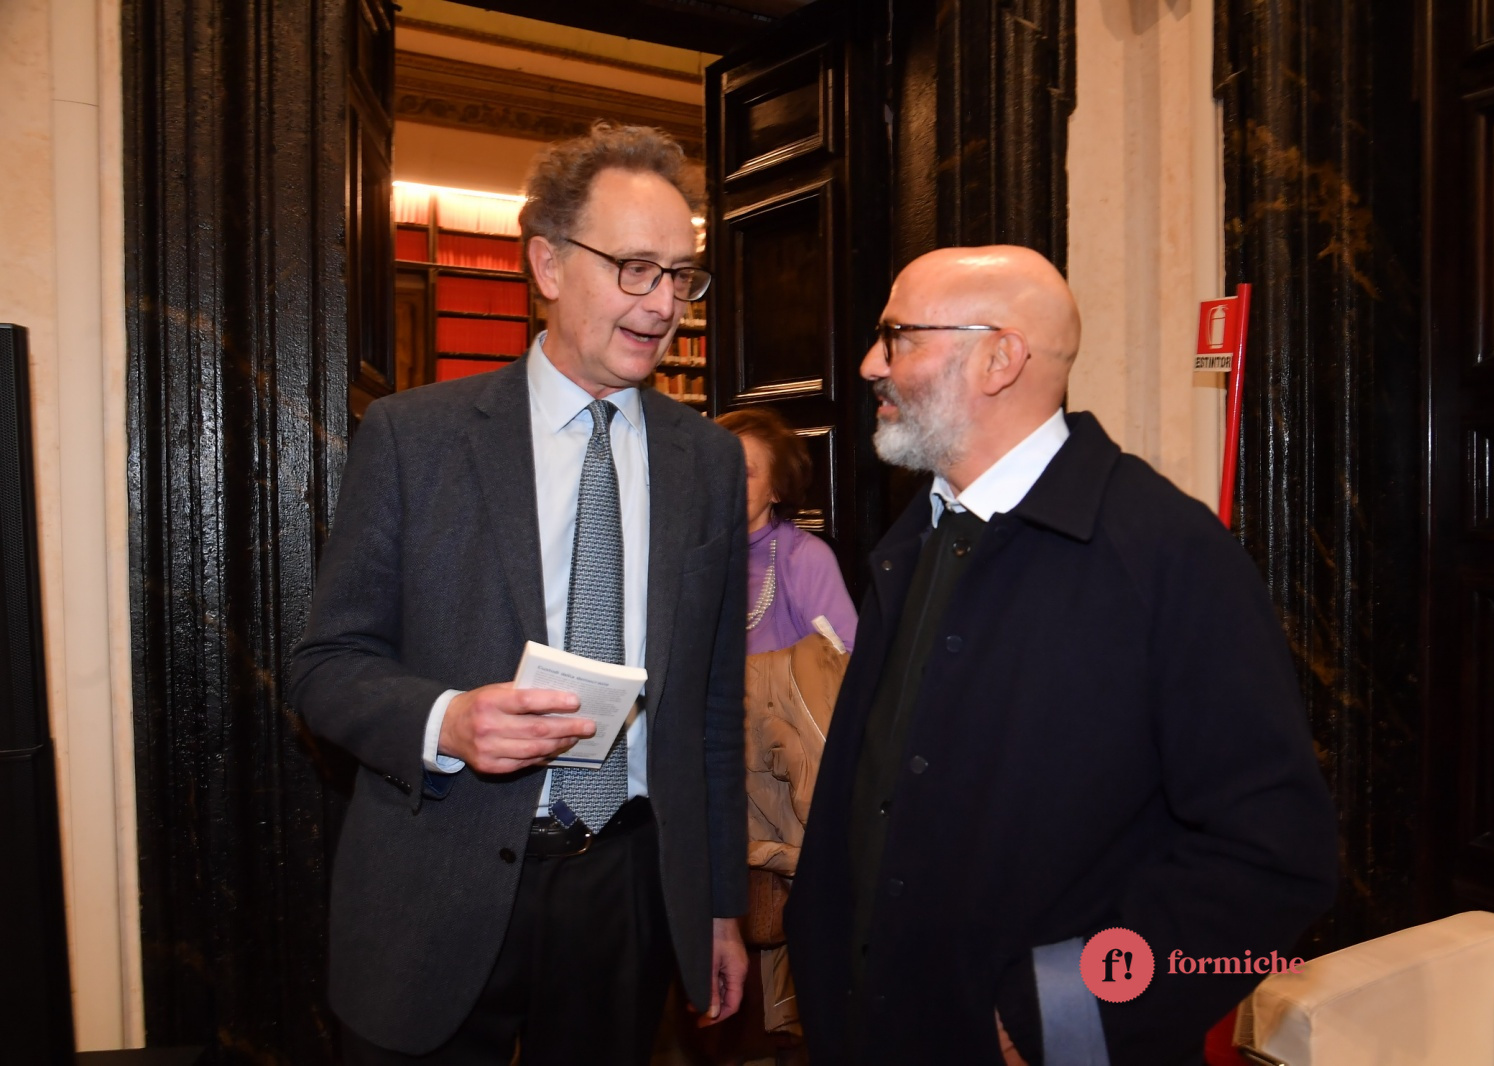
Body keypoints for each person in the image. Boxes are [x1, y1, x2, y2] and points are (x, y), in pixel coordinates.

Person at [783, 246, 1339, 1065]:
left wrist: (1069, 1009)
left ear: (1000, 358)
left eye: (898, 336)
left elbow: (1275, 856)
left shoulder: (1167, 552)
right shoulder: (915, 538)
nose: (871, 363)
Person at [289, 123, 748, 1065]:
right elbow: (325, 665)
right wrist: (447, 721)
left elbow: (712, 708)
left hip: (625, 890)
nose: (665, 304)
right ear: (546, 263)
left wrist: (717, 904)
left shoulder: (708, 461)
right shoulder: (415, 437)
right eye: (635, 269)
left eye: (680, 276)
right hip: (436, 878)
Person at [715, 406, 858, 654]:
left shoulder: (805, 557)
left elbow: (845, 657)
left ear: (776, 490)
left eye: (744, 472)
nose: (725, 481)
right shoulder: (689, 555)